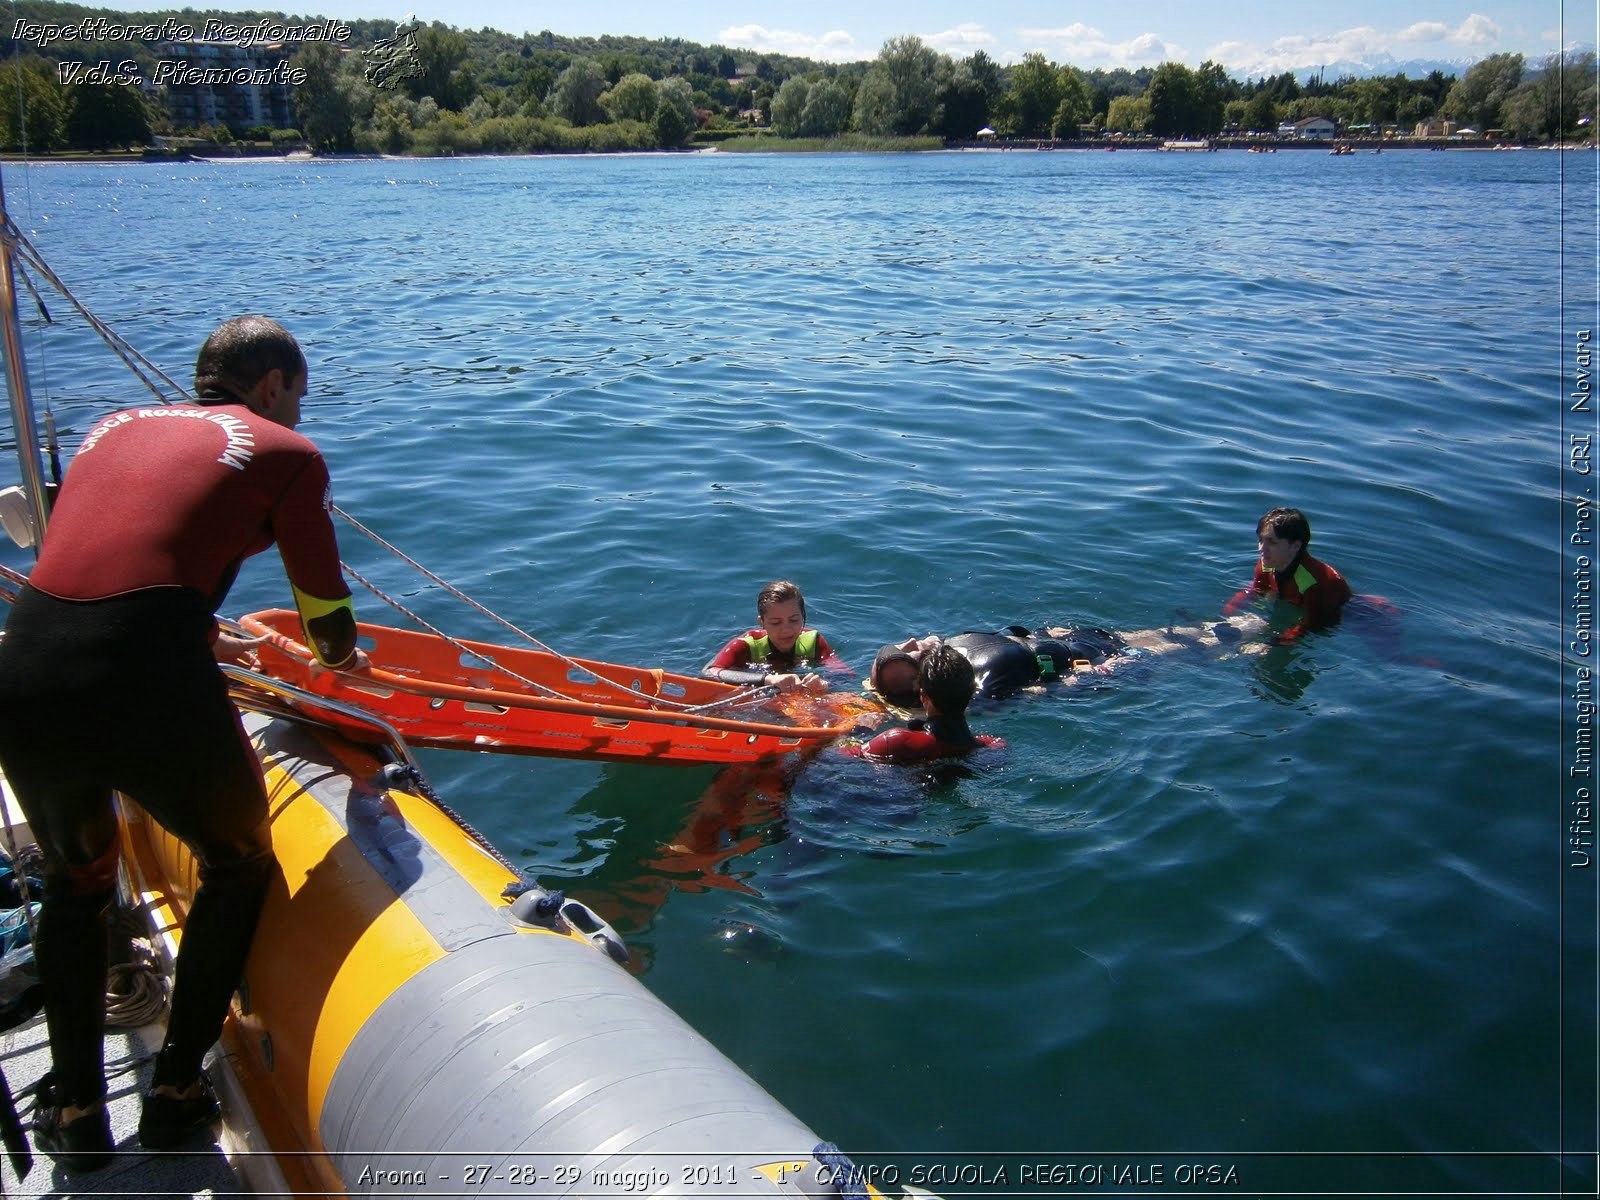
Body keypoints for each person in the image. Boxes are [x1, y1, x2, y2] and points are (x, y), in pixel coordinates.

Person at [0, 316, 361, 1171]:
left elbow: (109, 566)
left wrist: (197, 631)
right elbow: (324, 612)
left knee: (74, 884)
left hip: (25, 667)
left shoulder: (110, 426)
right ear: (273, 383)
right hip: (147, 681)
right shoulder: (287, 452)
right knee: (237, 861)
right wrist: (345, 662)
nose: (299, 415)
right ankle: (172, 1095)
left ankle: (79, 1117)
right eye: (298, 397)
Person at [841, 642, 1004, 764]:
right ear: (970, 694)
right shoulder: (993, 745)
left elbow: (837, 757)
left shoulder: (895, 741)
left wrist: (858, 730)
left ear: (923, 695)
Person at [1223, 506, 1352, 642]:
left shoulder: (1312, 581)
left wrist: (1277, 643)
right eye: (1261, 540)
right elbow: (1256, 591)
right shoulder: (1267, 564)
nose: (1261, 548)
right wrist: (1227, 613)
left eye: (1272, 542)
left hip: (1354, 615)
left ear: (1295, 546)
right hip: (1295, 608)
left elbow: (1313, 625)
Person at [702, 580, 849, 694]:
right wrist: (767, 679)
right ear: (762, 622)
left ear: (803, 616)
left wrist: (825, 684)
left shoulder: (813, 641)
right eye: (776, 622)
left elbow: (844, 675)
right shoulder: (745, 645)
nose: (786, 629)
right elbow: (709, 673)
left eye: (794, 620)